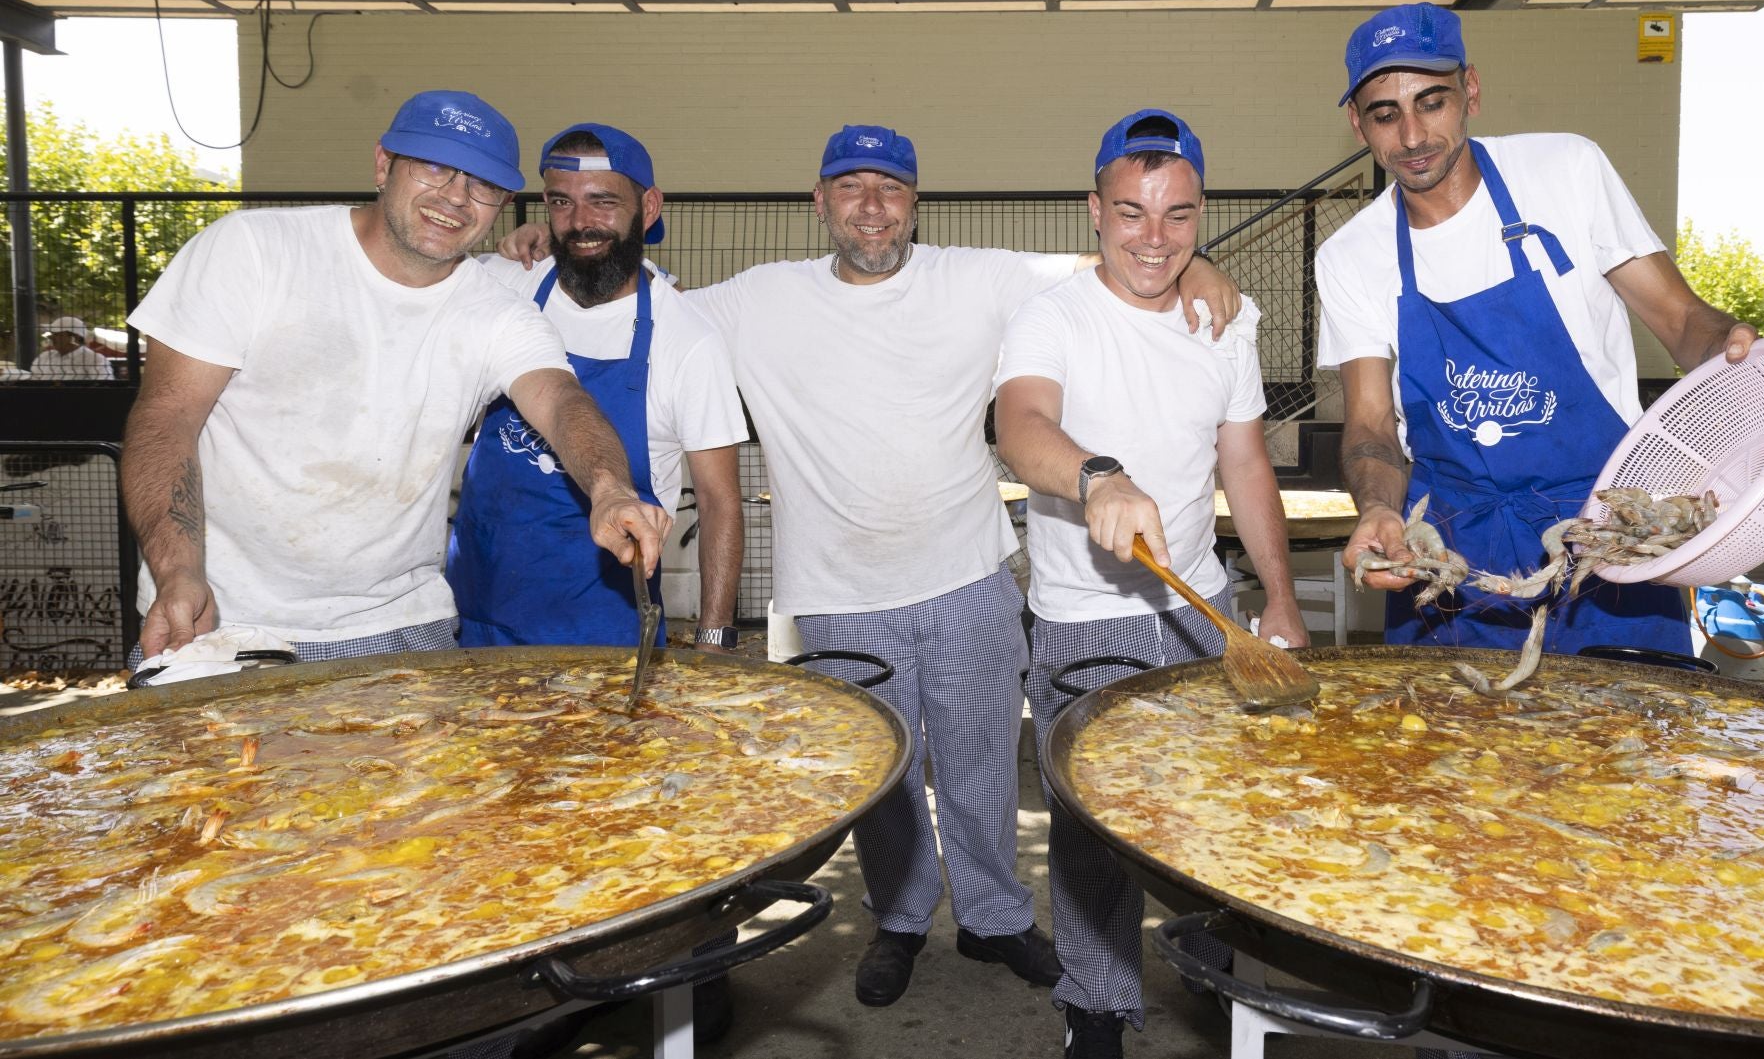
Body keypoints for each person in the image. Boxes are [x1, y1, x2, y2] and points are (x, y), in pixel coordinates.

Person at [497, 123, 1239, 1010]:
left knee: (980, 767)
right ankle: (898, 916)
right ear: (819, 202)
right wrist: (541, 248)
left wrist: (1201, 268)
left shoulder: (981, 279)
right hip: (836, 590)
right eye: (850, 187)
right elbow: (636, 296)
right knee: (880, 783)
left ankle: (997, 915)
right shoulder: (756, 299)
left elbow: (1118, 267)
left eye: (891, 187)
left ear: (915, 202)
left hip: (967, 574)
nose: (872, 205)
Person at [122, 90, 669, 666]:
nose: (455, 198)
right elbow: (167, 417)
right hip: (224, 619)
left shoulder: (497, 312)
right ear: (383, 164)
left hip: (401, 623)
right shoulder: (255, 251)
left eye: (482, 185)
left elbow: (560, 401)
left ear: (503, 202)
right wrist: (177, 571)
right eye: (434, 167)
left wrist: (611, 488)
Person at [993, 109, 1308, 1059]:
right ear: (1095, 211)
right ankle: (1095, 1005)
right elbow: (1020, 423)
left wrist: (1282, 599)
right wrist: (1097, 475)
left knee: (1224, 796)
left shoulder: (1225, 316)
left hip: (1203, 603)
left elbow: (1245, 465)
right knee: (1094, 826)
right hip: (1085, 620)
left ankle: (1218, 957)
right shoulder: (1052, 316)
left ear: (1201, 215)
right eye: (1131, 213)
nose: (1154, 238)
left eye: (1178, 217)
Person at [1315, 2, 1757, 655]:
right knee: (1444, 749)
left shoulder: (1565, 172)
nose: (1412, 135)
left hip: (1607, 533)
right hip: (1451, 561)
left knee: (1623, 747)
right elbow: (1373, 426)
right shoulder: (1351, 256)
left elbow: (1681, 318)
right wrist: (1378, 508)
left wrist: (1743, 355)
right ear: (1359, 124)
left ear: (1471, 90)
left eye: (1431, 101)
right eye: (1386, 114)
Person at [449, 121, 747, 654]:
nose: (581, 222)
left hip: (606, 633)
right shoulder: (506, 284)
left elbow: (719, 500)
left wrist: (715, 640)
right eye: (562, 203)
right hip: (474, 613)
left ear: (648, 207)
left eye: (603, 201)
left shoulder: (688, 341)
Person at [31, 316, 113, 380]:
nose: (51, 337)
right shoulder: (44, 357)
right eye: (52, 333)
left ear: (74, 338)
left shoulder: (94, 359)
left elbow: (104, 386)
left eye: (57, 334)